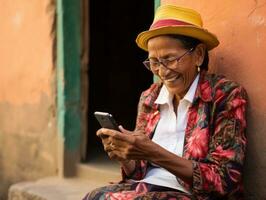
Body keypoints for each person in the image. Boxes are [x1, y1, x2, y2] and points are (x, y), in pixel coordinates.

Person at [84, 4, 247, 200]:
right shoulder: (150, 97)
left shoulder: (225, 95)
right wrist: (126, 156)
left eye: (170, 59)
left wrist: (153, 152)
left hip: (194, 195)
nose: (162, 71)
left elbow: (225, 180)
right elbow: (139, 172)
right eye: (154, 62)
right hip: (147, 188)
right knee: (93, 196)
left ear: (198, 55)